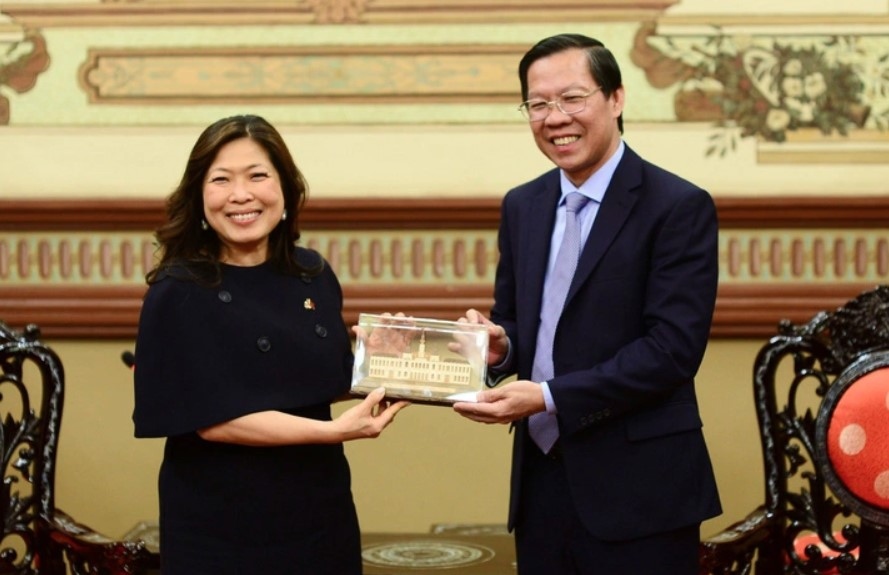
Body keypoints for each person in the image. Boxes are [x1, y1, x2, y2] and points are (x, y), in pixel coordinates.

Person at [452, 34, 722, 575]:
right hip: (542, 487)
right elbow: (521, 324)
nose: (555, 118)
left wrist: (548, 396)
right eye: (538, 104)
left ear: (616, 99)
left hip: (641, 492)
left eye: (572, 98)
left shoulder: (678, 207)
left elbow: (671, 351)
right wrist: (502, 347)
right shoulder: (523, 205)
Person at [132, 114, 408, 575]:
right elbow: (215, 420)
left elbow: (316, 378)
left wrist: (381, 361)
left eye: (258, 175)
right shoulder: (178, 290)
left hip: (321, 515)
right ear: (200, 197)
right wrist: (335, 431)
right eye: (221, 180)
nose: (241, 195)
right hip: (222, 530)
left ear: (285, 190)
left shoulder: (312, 273)